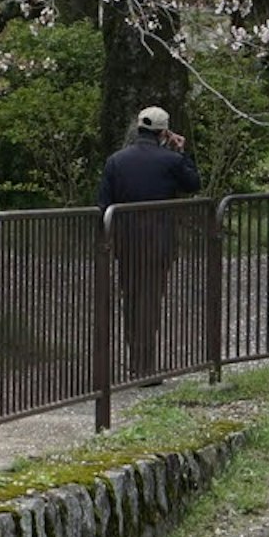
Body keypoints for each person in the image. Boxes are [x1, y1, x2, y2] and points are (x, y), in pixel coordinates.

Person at [102, 105, 200, 378]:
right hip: (159, 241)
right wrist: (181, 151)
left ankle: (135, 356)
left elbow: (103, 203)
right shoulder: (171, 160)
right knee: (150, 299)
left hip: (126, 241)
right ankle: (145, 363)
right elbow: (193, 184)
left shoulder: (116, 161)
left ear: (139, 128)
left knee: (131, 297)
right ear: (164, 132)